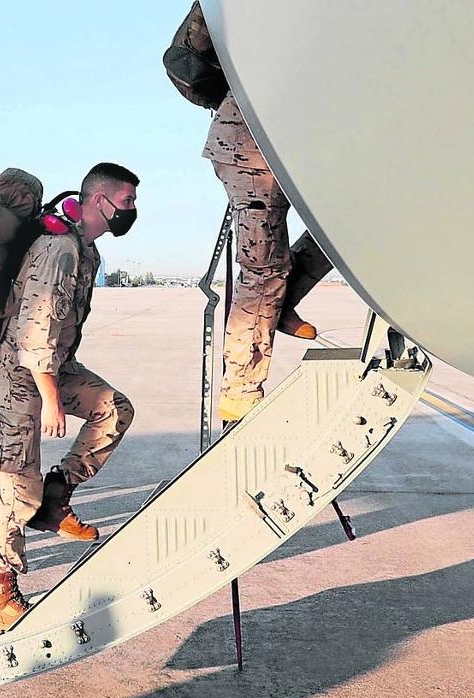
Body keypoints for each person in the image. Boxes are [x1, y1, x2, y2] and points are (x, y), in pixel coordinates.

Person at [0, 163, 139, 632]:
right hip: (16, 374)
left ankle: (55, 497)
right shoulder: (60, 248)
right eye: (127, 202)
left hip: (50, 367)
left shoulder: (84, 249)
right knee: (14, 482)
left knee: (113, 409)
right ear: (99, 201)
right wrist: (51, 398)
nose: (132, 211)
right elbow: (35, 329)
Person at [179, 2, 334, 423]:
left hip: (283, 144)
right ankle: (240, 389)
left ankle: (282, 306)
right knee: (262, 268)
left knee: (337, 231)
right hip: (248, 147)